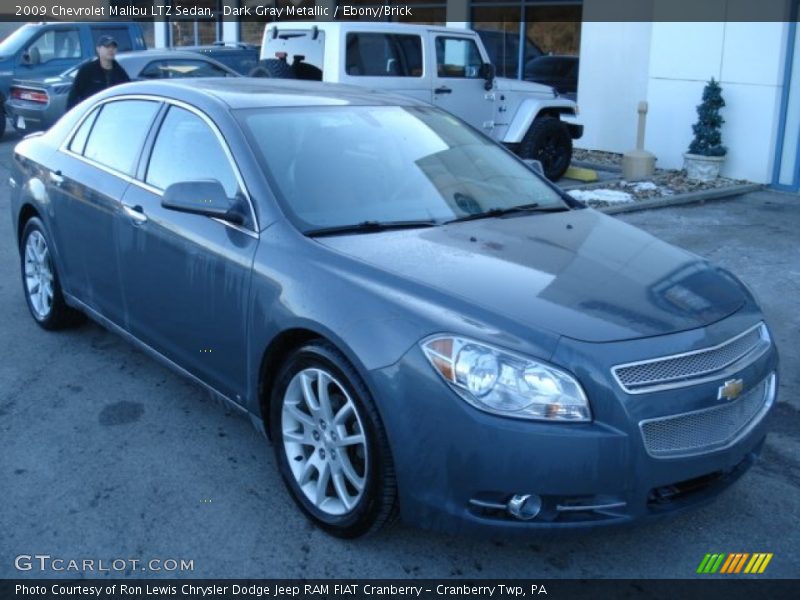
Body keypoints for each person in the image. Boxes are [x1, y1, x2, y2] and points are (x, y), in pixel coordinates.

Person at [66, 35, 130, 109]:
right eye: (107, 46)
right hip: (91, 113)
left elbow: (127, 94)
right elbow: (73, 97)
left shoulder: (120, 72)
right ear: (98, 49)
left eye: (113, 47)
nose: (111, 50)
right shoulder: (87, 70)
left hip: (114, 114)